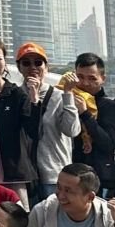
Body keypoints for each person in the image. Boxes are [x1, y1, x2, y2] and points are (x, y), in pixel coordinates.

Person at [0, 39, 38, 200]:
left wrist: (35, 101)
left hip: (11, 175)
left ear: (5, 62)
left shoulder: (17, 94)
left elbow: (34, 131)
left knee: (17, 214)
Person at [17, 43, 80, 201]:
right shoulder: (15, 96)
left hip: (54, 174)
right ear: (19, 68)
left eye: (38, 63)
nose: (33, 67)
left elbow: (72, 130)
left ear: (46, 67)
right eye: (26, 63)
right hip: (24, 174)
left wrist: (68, 94)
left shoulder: (58, 96)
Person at [70, 54, 115, 195]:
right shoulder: (68, 101)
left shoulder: (109, 106)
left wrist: (85, 113)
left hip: (100, 178)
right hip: (72, 174)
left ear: (103, 79)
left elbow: (108, 143)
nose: (85, 83)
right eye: (80, 77)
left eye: (92, 78)